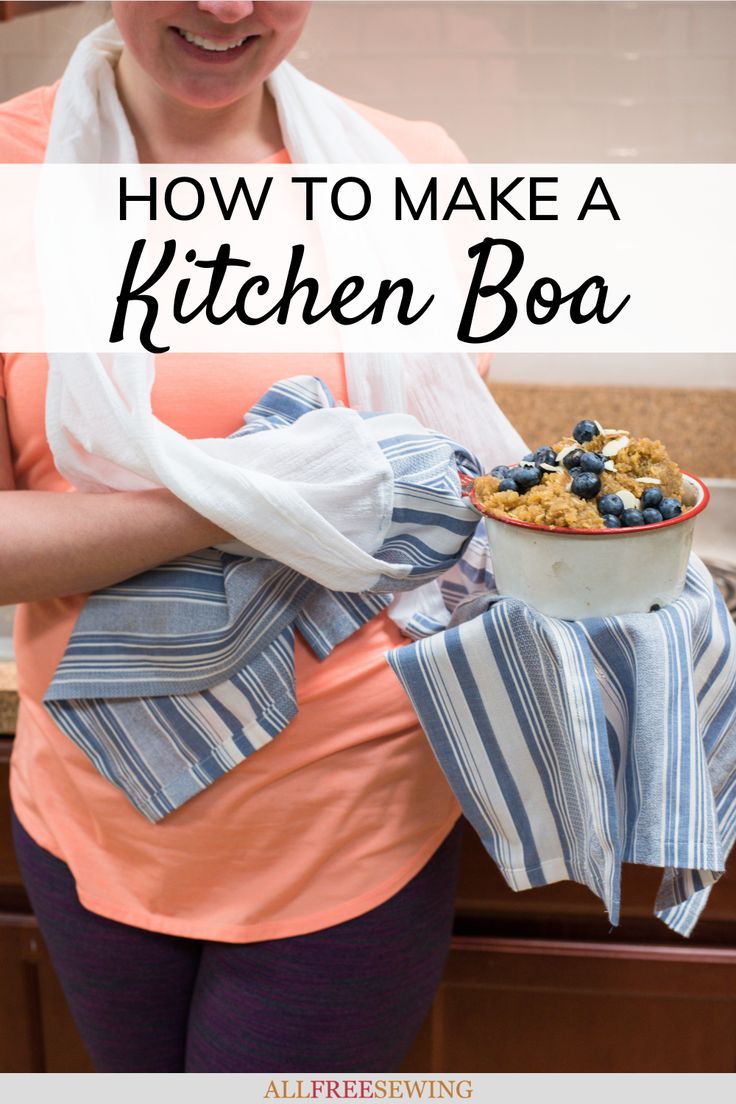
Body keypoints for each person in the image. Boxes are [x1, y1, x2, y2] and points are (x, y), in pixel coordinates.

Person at [1, 1, 476, 1073]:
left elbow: (434, 493)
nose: (226, 6)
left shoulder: (410, 170)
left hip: (352, 819)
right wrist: (243, 497)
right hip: (94, 808)